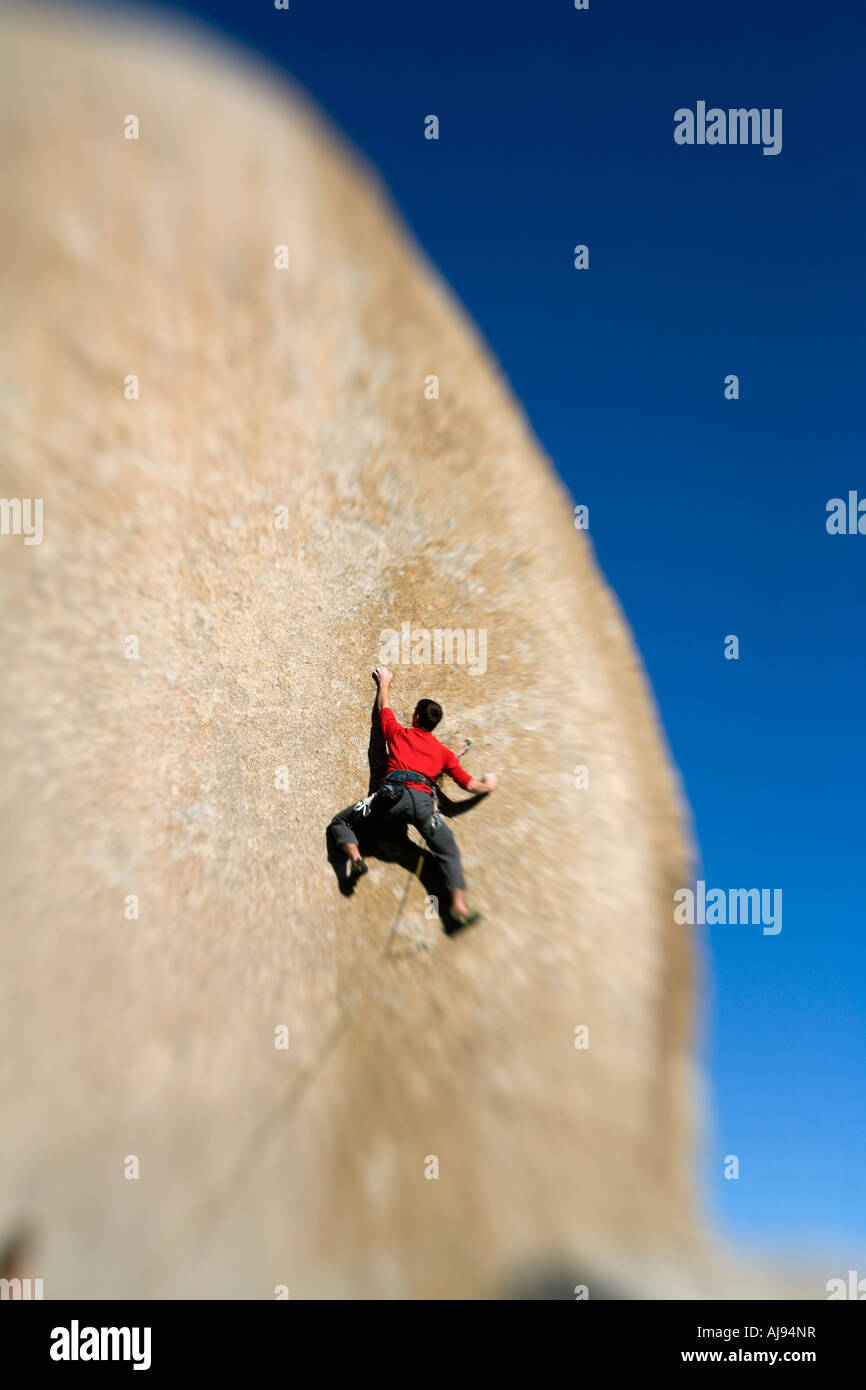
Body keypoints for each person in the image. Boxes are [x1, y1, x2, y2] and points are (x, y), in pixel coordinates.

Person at [328, 666, 496, 927]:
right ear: (434, 725)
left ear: (416, 718)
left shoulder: (399, 733)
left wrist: (384, 682)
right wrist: (489, 784)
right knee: (448, 850)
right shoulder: (444, 754)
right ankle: (459, 907)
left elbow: (384, 709)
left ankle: (356, 859)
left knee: (342, 821)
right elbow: (470, 785)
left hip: (388, 800)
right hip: (423, 807)